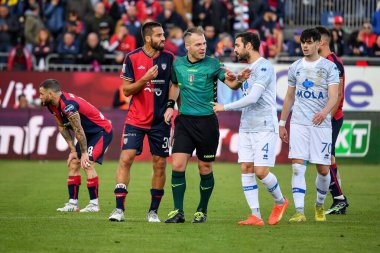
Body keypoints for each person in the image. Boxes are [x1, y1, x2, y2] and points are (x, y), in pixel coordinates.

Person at [163, 26, 247, 223]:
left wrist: (240, 80)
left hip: (207, 123)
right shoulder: (178, 65)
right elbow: (174, 85)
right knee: (177, 165)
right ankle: (178, 212)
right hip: (184, 121)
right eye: (198, 44)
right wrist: (169, 105)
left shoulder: (212, 64)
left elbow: (231, 83)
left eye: (204, 43)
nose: (203, 47)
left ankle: (202, 210)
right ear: (188, 46)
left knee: (205, 168)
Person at [211, 32, 288, 226]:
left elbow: (253, 98)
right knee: (246, 168)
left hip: (264, 126)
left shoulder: (264, 67)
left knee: (261, 171)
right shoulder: (248, 69)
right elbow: (241, 90)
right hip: (247, 125)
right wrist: (237, 78)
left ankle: (280, 201)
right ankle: (255, 215)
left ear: (249, 46)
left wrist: (224, 107)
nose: (234, 49)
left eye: (237, 45)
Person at [108, 22, 174, 222]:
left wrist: (171, 105)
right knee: (126, 159)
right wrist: (144, 79)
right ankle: (119, 210)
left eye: (163, 35)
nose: (163, 38)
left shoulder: (169, 58)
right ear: (147, 38)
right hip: (136, 118)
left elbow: (174, 85)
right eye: (159, 35)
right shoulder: (132, 58)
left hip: (160, 121)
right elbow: (126, 90)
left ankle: (153, 212)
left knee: (160, 164)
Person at [279, 28, 339, 222]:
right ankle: (299, 211)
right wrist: (282, 123)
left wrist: (324, 112)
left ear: (318, 43)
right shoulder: (295, 66)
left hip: (321, 125)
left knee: (323, 169)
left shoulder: (329, 67)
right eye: (303, 42)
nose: (305, 45)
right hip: (298, 123)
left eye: (309, 42)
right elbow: (289, 96)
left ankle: (319, 205)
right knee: (297, 167)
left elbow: (334, 95)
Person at [39, 79, 113, 212]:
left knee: (87, 163)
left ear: (50, 94)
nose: (40, 97)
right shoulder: (51, 105)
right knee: (74, 163)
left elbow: (78, 130)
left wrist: (84, 153)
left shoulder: (68, 105)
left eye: (41, 94)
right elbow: (62, 126)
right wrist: (73, 150)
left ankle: (94, 205)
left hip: (101, 132)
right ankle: (73, 204)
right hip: (86, 134)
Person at [316, 26, 349, 215]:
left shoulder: (333, 63)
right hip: (327, 118)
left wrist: (327, 119)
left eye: (313, 41)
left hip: (331, 118)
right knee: (328, 158)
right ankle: (338, 199)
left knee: (325, 159)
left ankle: (339, 199)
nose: (308, 44)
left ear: (322, 42)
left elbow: (336, 96)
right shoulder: (325, 62)